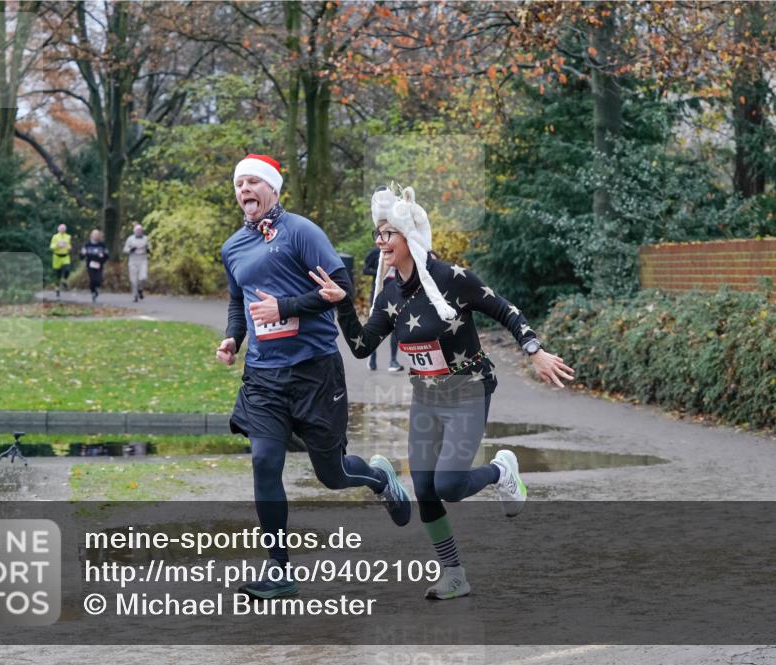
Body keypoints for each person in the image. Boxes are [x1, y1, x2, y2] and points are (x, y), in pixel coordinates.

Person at [310, 185, 575, 600]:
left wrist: (534, 350)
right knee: (425, 489)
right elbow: (362, 346)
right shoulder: (390, 293)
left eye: (387, 234)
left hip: (468, 387)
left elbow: (505, 308)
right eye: (377, 235)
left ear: (409, 237)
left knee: (449, 484)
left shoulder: (452, 279)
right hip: (427, 396)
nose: (379, 243)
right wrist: (344, 304)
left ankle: (503, 471)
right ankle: (454, 575)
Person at [215, 154, 413, 600]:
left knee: (334, 474)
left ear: (272, 189)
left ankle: (379, 479)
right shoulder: (233, 248)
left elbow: (338, 290)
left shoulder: (301, 232)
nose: (244, 189)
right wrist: (233, 338)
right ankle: (280, 569)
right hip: (263, 377)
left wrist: (284, 308)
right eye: (238, 183)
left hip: (315, 371)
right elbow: (238, 302)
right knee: (265, 462)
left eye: (252, 182)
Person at [362, 247, 402, 372]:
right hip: (379, 292)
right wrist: (380, 271)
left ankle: (393, 361)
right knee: (375, 326)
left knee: (396, 326)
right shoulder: (375, 253)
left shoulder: (400, 252)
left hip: (396, 292)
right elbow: (365, 270)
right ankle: (372, 357)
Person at [79, 229, 108, 303]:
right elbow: (81, 256)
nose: (96, 236)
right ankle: (93, 292)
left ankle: (97, 289)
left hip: (99, 264)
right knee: (92, 279)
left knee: (99, 279)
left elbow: (107, 255)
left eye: (97, 235)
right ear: (91, 236)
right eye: (94, 235)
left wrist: (103, 256)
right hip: (90, 264)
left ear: (99, 236)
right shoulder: (87, 244)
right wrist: (83, 254)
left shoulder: (102, 245)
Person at [123, 223, 149, 302]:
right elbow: (125, 249)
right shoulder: (130, 239)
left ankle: (140, 289)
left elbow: (149, 247)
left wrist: (148, 249)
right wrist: (131, 249)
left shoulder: (145, 238)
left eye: (140, 230)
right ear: (134, 231)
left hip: (143, 260)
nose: (139, 231)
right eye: (137, 230)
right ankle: (135, 296)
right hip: (133, 260)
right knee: (133, 280)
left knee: (143, 277)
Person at [49, 223, 72, 298]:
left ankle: (64, 280)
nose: (62, 230)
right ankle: (57, 288)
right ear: (58, 229)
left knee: (67, 269)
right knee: (57, 274)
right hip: (56, 256)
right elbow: (51, 247)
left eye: (64, 228)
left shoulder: (68, 237)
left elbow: (69, 246)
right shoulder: (55, 237)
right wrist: (57, 245)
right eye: (61, 228)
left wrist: (67, 246)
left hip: (65, 256)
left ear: (65, 229)